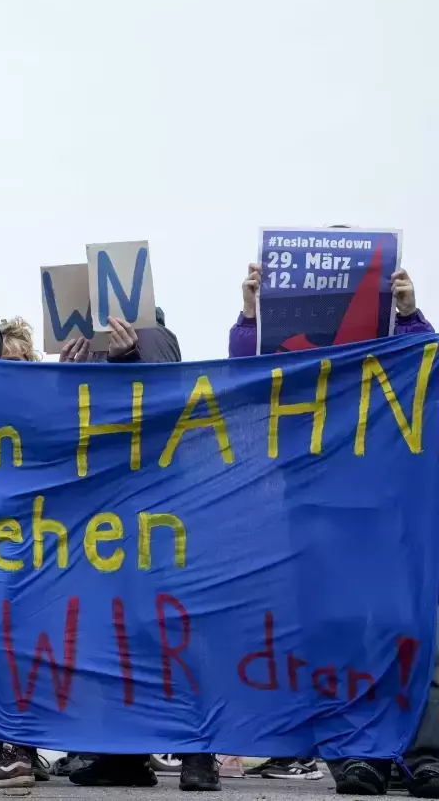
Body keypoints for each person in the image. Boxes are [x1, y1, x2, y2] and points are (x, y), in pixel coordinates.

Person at [224, 263, 437, 795]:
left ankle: (425, 754)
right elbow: (247, 383)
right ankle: (362, 754)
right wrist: (252, 318)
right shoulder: (297, 355)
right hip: (320, 510)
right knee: (343, 634)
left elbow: (428, 379)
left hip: (390, 509)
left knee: (412, 630)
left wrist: (409, 317)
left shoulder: (398, 340)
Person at [56, 308, 220, 792]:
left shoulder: (155, 338)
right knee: (113, 638)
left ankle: (197, 753)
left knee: (172, 634)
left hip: (159, 518)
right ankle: (122, 753)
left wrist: (127, 360)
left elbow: (153, 412)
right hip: (106, 521)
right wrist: (65, 380)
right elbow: (78, 430)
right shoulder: (91, 354)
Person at [227, 263, 431, 358]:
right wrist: (251, 313)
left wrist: (408, 316)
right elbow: (245, 371)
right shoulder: (288, 347)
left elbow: (423, 367)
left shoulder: (383, 342)